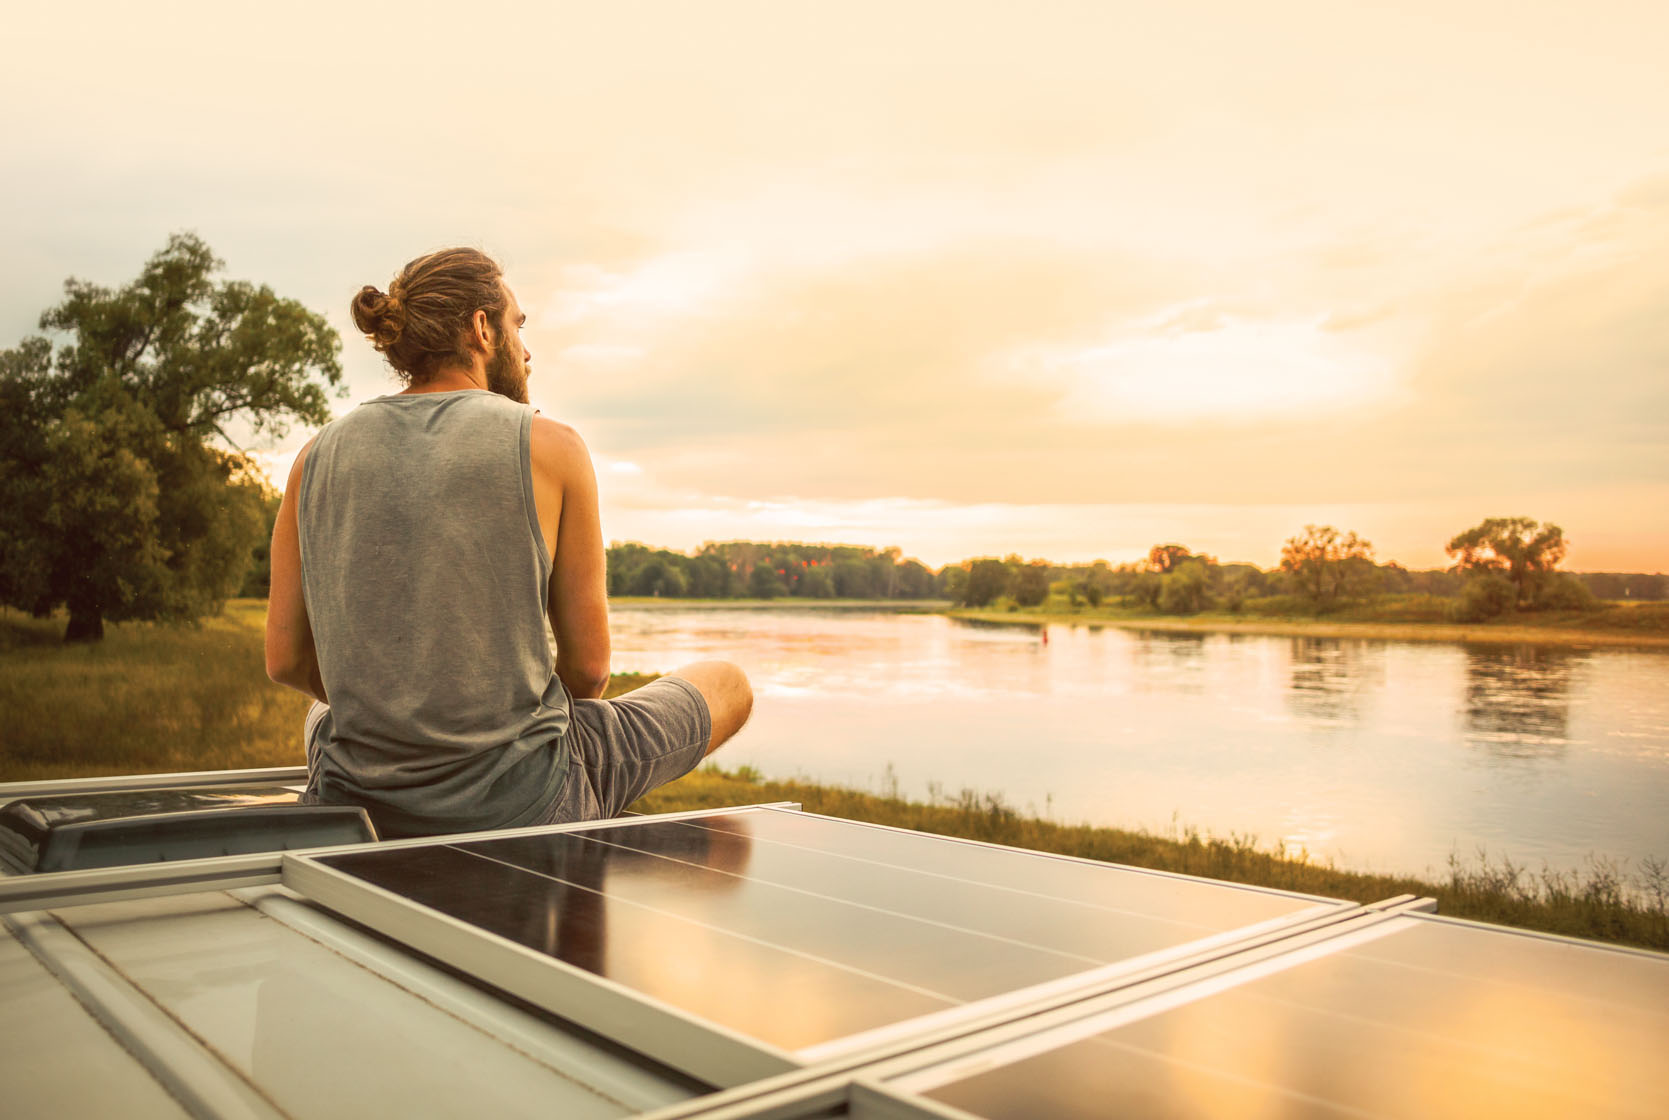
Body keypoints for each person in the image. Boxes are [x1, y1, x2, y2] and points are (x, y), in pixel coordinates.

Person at [265, 247, 751, 837]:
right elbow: (590, 673)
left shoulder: (313, 456)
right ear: (480, 328)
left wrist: (392, 714)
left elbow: (286, 660)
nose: (526, 351)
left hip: (357, 792)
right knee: (729, 683)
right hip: (526, 798)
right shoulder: (554, 446)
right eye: (518, 326)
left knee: (324, 709)